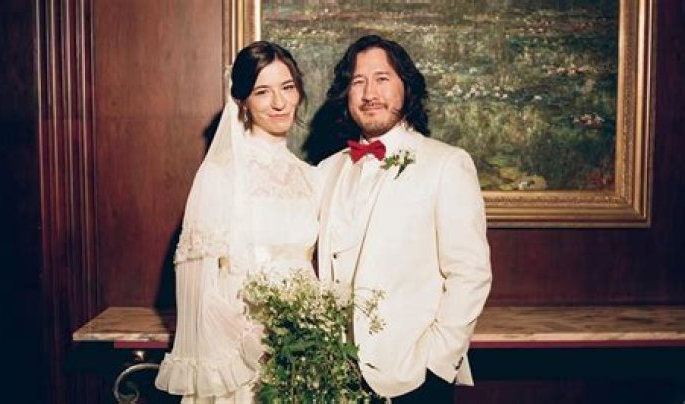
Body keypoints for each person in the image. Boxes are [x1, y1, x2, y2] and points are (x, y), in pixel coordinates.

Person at [316, 35, 492, 403]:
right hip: (334, 376)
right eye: (358, 81)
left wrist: (436, 365)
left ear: (406, 87)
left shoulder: (446, 164)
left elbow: (470, 273)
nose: (369, 93)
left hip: (412, 377)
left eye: (382, 78)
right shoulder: (327, 170)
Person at [155, 41, 318, 404]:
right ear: (242, 101)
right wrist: (250, 341)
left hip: (304, 348)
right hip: (241, 353)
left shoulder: (311, 177)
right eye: (263, 92)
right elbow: (197, 281)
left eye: (287, 87)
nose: (279, 102)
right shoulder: (220, 174)